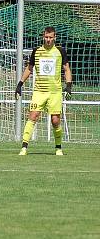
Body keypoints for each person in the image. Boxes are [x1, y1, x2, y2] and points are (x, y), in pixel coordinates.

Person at [15, 26, 72, 156]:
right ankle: (24, 147)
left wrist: (68, 85)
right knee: (33, 116)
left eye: (50, 37)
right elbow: (29, 69)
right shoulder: (36, 51)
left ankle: (58, 148)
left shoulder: (60, 51)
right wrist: (20, 84)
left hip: (55, 92)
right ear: (43, 37)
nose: (48, 39)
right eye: (46, 37)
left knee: (55, 120)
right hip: (39, 91)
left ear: (54, 38)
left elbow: (67, 69)